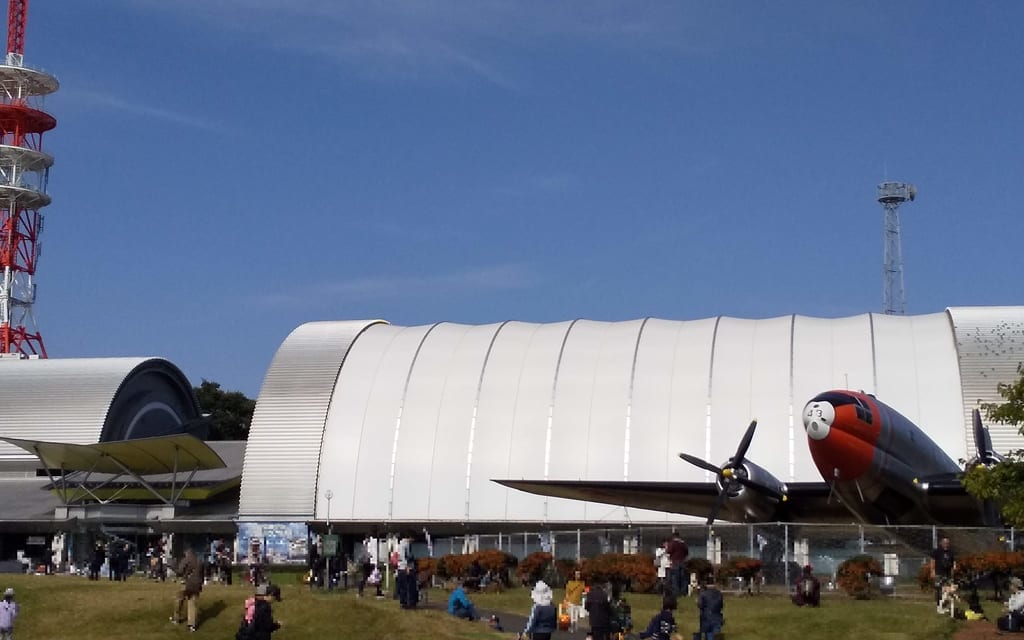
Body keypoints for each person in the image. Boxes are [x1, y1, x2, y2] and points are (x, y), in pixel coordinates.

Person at [171, 549, 203, 632]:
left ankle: (176, 619)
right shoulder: (199, 560)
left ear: (186, 553)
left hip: (187, 584)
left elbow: (180, 571)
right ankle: (192, 625)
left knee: (179, 600)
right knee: (193, 604)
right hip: (197, 585)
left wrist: (172, 567)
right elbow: (202, 574)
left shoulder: (186, 559)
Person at [931, 537, 956, 612]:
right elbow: (933, 561)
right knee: (938, 590)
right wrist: (932, 571)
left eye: (947, 543)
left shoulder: (951, 552)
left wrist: (954, 569)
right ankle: (939, 605)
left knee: (948, 591)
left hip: (948, 574)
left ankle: (945, 606)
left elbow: (953, 562)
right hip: (939, 573)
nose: (946, 544)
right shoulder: (937, 551)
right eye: (944, 543)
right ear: (941, 543)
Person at [696, 575, 724, 640]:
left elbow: (700, 605)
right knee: (716, 635)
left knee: (708, 635)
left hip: (706, 617)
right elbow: (721, 605)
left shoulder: (703, 593)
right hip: (717, 616)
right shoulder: (719, 593)